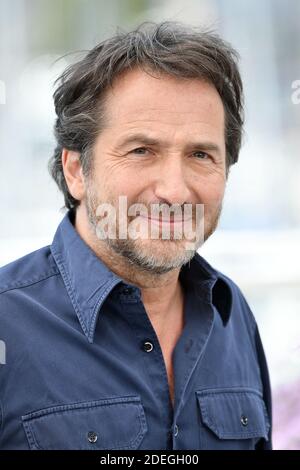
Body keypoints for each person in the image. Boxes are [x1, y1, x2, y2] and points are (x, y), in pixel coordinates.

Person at [0, 21, 272, 450]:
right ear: (76, 170)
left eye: (201, 154)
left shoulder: (231, 313)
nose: (175, 190)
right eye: (141, 151)